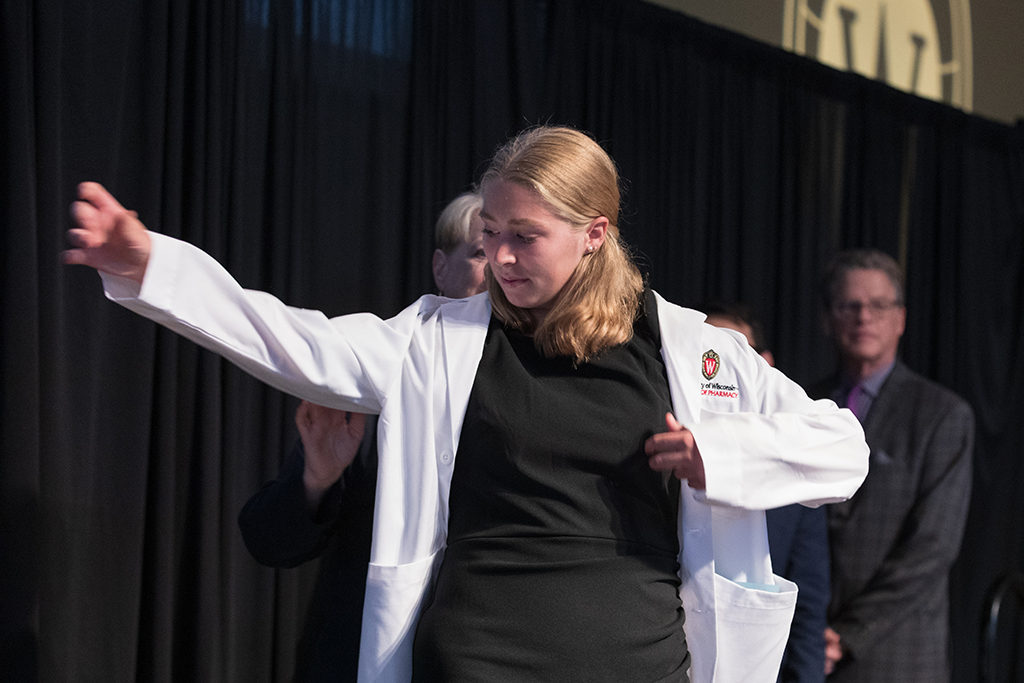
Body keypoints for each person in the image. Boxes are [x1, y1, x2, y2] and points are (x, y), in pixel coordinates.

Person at [65, 125, 869, 683]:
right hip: (477, 658)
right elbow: (294, 341)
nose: (499, 255)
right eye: (489, 232)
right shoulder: (438, 340)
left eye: (525, 235)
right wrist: (150, 265)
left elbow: (844, 447)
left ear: (594, 233)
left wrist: (719, 456)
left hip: (638, 661)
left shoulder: (694, 351)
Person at [236, 191, 486, 681]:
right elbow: (268, 542)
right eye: (480, 253)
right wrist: (316, 480)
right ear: (441, 268)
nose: (498, 270)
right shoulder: (380, 379)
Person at [810, 249, 974, 683]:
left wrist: (844, 635)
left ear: (900, 319)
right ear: (828, 319)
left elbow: (932, 547)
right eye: (850, 306)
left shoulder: (942, 415)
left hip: (894, 653)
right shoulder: (804, 406)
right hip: (803, 649)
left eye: (879, 305)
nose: (865, 317)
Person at [702, 301, 830, 683]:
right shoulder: (661, 448)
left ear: (765, 365)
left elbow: (808, 606)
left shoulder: (792, 463)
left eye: (734, 352)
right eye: (708, 353)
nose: (719, 368)